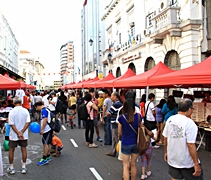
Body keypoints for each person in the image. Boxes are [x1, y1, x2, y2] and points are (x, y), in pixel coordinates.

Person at [163, 99, 203, 180]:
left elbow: (165, 138)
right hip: (187, 162)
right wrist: (196, 164)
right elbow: (191, 144)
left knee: (175, 177)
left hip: (173, 158)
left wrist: (166, 152)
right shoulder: (190, 123)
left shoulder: (170, 119)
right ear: (189, 109)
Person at [118, 98, 141, 180]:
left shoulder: (121, 118)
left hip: (125, 142)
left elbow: (119, 132)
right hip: (136, 143)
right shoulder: (138, 116)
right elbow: (140, 129)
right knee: (134, 164)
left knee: (126, 166)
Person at [7, 97, 30, 174]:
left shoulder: (12, 112)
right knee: (23, 149)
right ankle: (24, 166)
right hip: (24, 135)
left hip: (13, 134)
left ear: (14, 103)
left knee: (11, 150)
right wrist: (21, 132)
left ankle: (11, 167)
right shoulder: (25, 111)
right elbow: (28, 122)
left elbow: (11, 124)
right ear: (21, 102)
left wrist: (17, 133)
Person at [35, 101, 52, 166]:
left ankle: (44, 158)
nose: (37, 109)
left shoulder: (44, 110)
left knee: (45, 144)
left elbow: (45, 120)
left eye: (36, 107)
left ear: (38, 106)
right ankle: (48, 156)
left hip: (46, 129)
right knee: (48, 143)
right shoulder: (47, 109)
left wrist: (42, 129)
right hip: (49, 128)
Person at [106, 91, 122, 157]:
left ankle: (119, 152)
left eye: (112, 96)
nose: (111, 97)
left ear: (115, 97)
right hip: (115, 122)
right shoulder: (119, 103)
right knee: (114, 138)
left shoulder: (116, 104)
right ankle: (113, 151)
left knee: (116, 138)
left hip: (115, 123)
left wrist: (107, 113)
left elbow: (109, 113)